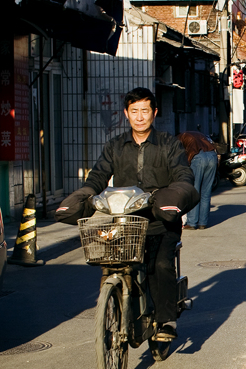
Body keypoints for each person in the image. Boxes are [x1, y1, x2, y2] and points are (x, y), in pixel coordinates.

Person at [55, 87, 197, 345]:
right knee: (110, 261)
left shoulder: (169, 144)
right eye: (134, 111)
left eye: (145, 111)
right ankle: (118, 305)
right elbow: (97, 177)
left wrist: (172, 196)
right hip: (124, 221)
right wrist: (83, 196)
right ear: (126, 114)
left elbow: (183, 176)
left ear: (154, 112)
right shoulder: (115, 146)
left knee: (161, 264)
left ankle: (166, 319)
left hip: (159, 218)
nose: (140, 117)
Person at [178, 131, 218, 230]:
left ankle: (192, 223)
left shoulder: (179, 139)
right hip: (213, 156)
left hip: (198, 158)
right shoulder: (201, 135)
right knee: (206, 192)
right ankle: (203, 223)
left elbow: (180, 156)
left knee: (194, 191)